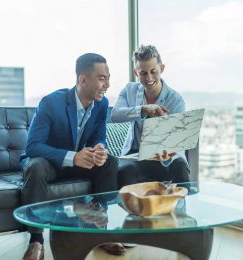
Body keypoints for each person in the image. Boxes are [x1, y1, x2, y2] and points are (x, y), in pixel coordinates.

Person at [20, 53, 121, 260]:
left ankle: (100, 228)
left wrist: (100, 149)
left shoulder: (101, 104)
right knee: (36, 167)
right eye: (102, 78)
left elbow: (99, 136)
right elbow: (33, 146)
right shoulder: (51, 102)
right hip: (49, 162)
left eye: (108, 78)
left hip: (77, 160)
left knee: (110, 162)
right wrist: (72, 157)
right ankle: (36, 241)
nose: (108, 84)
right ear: (82, 79)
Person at [111, 44, 190, 187]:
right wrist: (143, 109)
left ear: (162, 69)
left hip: (166, 156)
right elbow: (115, 115)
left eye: (153, 71)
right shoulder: (129, 90)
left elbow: (179, 140)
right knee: (125, 171)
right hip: (136, 155)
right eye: (143, 73)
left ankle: (180, 209)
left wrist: (169, 151)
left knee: (180, 166)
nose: (149, 78)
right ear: (136, 72)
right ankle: (131, 209)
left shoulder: (176, 99)